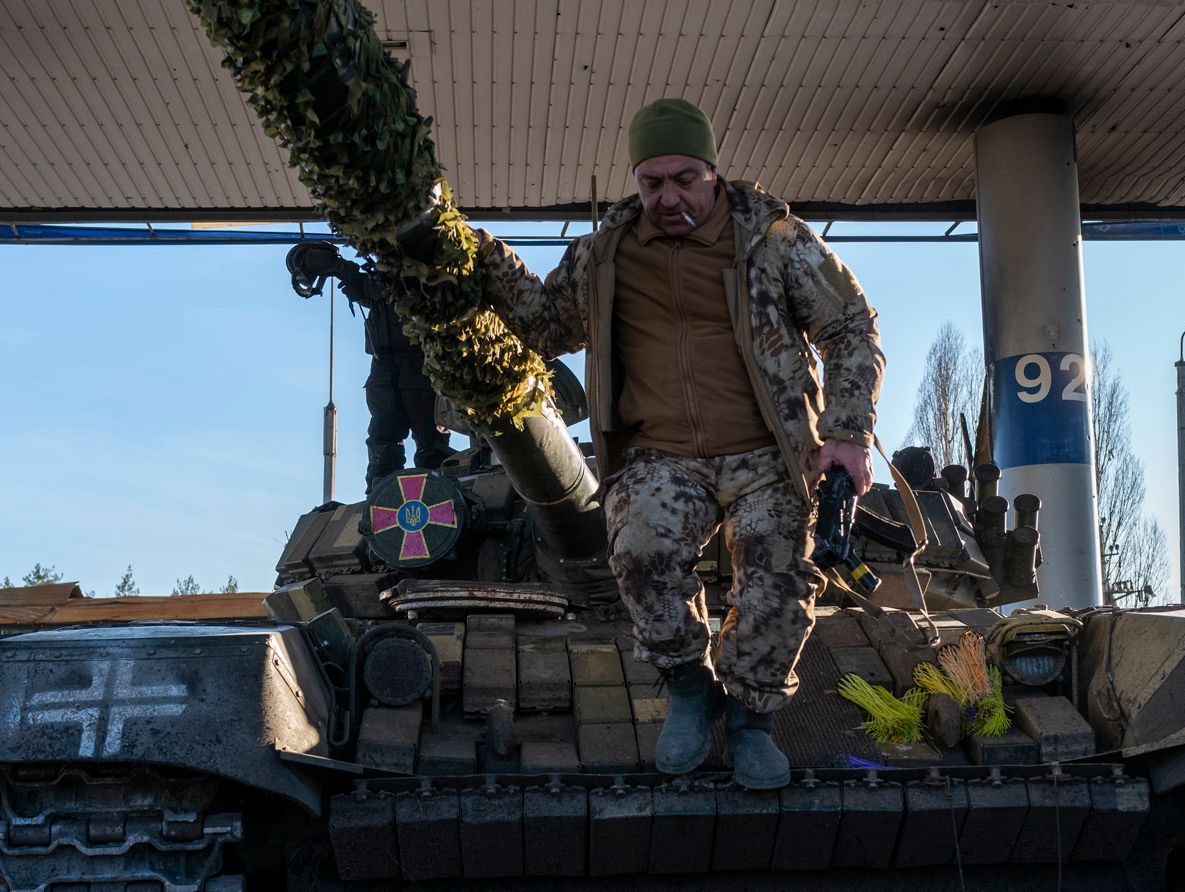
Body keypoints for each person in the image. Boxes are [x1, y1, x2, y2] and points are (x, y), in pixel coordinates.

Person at [476, 98, 884, 789]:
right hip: (660, 454)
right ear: (637, 180)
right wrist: (479, 255)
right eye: (653, 182)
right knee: (639, 554)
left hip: (770, 453)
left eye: (685, 179)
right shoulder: (604, 253)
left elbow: (850, 327)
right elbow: (546, 326)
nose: (669, 197)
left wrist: (847, 433)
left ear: (713, 172)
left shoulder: (774, 239)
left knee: (781, 577)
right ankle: (691, 690)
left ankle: (750, 720)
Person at [286, 243, 453, 485]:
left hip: (419, 364)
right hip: (385, 365)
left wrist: (361, 282)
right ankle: (381, 492)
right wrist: (341, 270)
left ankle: (436, 492)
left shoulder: (424, 275)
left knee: (430, 438)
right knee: (383, 436)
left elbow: (400, 292)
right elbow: (367, 289)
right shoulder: (378, 280)